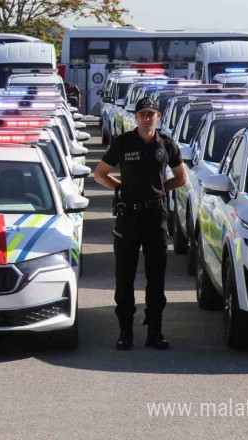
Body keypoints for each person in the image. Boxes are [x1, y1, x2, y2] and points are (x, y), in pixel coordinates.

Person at [93, 97, 187, 350]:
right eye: (142, 114)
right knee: (125, 276)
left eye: (151, 114)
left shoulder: (166, 144)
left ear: (158, 117)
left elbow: (181, 177)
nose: (147, 118)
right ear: (136, 117)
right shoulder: (123, 143)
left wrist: (159, 190)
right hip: (129, 216)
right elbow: (100, 174)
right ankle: (125, 332)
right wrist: (121, 188)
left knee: (156, 277)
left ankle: (155, 332)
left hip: (156, 215)